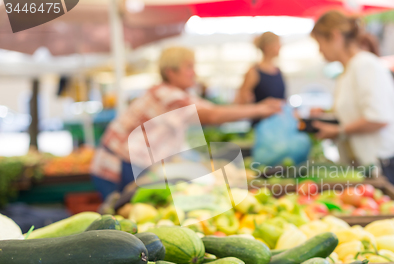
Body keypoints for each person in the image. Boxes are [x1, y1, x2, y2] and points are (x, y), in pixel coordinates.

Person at [91, 46, 281, 199]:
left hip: (135, 164)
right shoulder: (166, 95)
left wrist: (250, 106)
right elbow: (212, 116)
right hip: (117, 166)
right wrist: (259, 109)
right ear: (170, 72)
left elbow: (215, 110)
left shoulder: (180, 95)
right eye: (188, 67)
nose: (194, 73)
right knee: (123, 218)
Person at [309, 10, 394, 168]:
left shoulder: (364, 65)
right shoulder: (348, 71)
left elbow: (378, 118)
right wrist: (327, 115)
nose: (319, 51)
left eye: (320, 43)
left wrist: (338, 131)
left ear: (335, 36)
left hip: (388, 166)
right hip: (368, 166)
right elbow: (356, 113)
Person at [235, 32, 285, 125]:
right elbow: (240, 102)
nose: (280, 46)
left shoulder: (278, 71)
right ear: (267, 46)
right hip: (260, 125)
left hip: (279, 124)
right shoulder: (253, 72)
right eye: (277, 44)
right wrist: (259, 106)